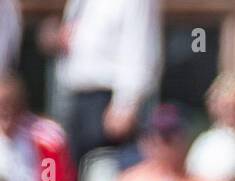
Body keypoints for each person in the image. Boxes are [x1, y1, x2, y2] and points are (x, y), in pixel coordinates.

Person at [41, 0, 162, 170]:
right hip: (75, 97)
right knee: (75, 171)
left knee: (103, 171)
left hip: (107, 101)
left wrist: (126, 103)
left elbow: (139, 48)